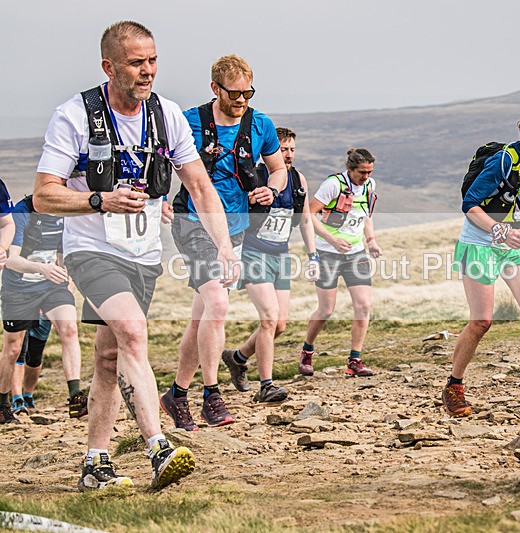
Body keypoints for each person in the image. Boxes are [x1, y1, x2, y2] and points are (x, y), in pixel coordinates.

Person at [34, 21, 238, 491]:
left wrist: (222, 245)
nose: (148, 71)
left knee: (110, 358)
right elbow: (44, 195)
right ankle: (159, 447)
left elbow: (201, 187)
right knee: (133, 331)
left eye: (153, 60)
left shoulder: (167, 116)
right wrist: (97, 200)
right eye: (135, 62)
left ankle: (95, 463)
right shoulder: (75, 115)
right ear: (109, 67)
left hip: (143, 253)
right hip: (90, 248)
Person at [161, 54, 285, 430]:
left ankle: (176, 394)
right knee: (217, 301)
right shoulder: (187, 121)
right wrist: (159, 198)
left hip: (235, 227)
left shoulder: (259, 124)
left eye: (248, 91)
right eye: (234, 93)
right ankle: (211, 396)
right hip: (193, 221)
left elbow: (278, 169)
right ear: (215, 88)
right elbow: (160, 162)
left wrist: (270, 189)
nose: (242, 99)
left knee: (202, 314)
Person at [441, 107, 520, 418]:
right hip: (480, 244)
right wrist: (500, 229)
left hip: (515, 246)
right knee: (481, 321)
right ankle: (453, 387)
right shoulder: (503, 162)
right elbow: (469, 204)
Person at [222, 127, 319, 402]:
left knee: (280, 326)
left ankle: (237, 357)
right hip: (253, 253)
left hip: (281, 256)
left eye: (291, 150)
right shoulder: (255, 175)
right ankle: (266, 385)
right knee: (268, 318)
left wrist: (313, 257)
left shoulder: (299, 179)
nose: (287, 155)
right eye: (283, 150)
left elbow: (304, 221)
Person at [0, 195, 86, 425]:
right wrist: (42, 268)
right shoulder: (22, 212)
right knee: (13, 348)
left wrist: (68, 277)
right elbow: (10, 260)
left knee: (69, 328)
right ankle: (2, 404)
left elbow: (64, 253)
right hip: (18, 287)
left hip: (50, 286)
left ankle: (75, 396)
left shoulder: (66, 213)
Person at [297, 148, 381, 378]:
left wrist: (371, 241)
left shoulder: (369, 185)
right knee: (326, 310)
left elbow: (366, 216)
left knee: (363, 306)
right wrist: (332, 240)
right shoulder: (333, 185)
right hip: (327, 253)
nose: (365, 176)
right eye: (362, 172)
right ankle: (307, 351)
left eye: (369, 172)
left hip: (356, 254)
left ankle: (355, 360)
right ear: (350, 168)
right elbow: (310, 215)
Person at [10, 316, 52, 415]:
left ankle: (28, 396)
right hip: (20, 306)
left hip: (43, 310)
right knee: (18, 352)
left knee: (34, 358)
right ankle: (17, 399)